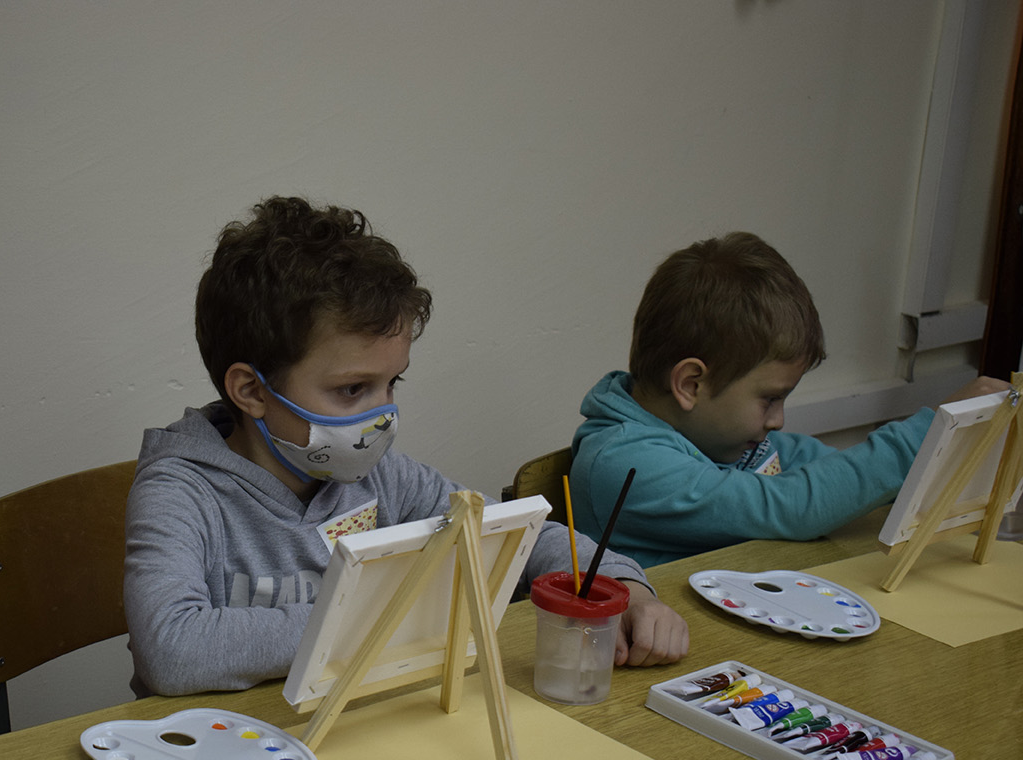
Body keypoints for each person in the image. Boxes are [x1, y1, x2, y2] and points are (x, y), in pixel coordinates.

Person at [124, 197, 690, 696]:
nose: (383, 414)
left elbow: (520, 537)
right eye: (352, 389)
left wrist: (629, 590)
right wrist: (393, 615)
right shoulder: (181, 490)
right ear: (251, 391)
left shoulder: (384, 478)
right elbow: (173, 650)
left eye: (391, 383)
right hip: (211, 754)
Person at [570, 231, 1012, 568]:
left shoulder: (717, 438)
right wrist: (931, 433)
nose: (778, 421)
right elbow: (795, 505)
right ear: (690, 385)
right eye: (770, 399)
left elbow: (835, 478)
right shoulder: (625, 463)